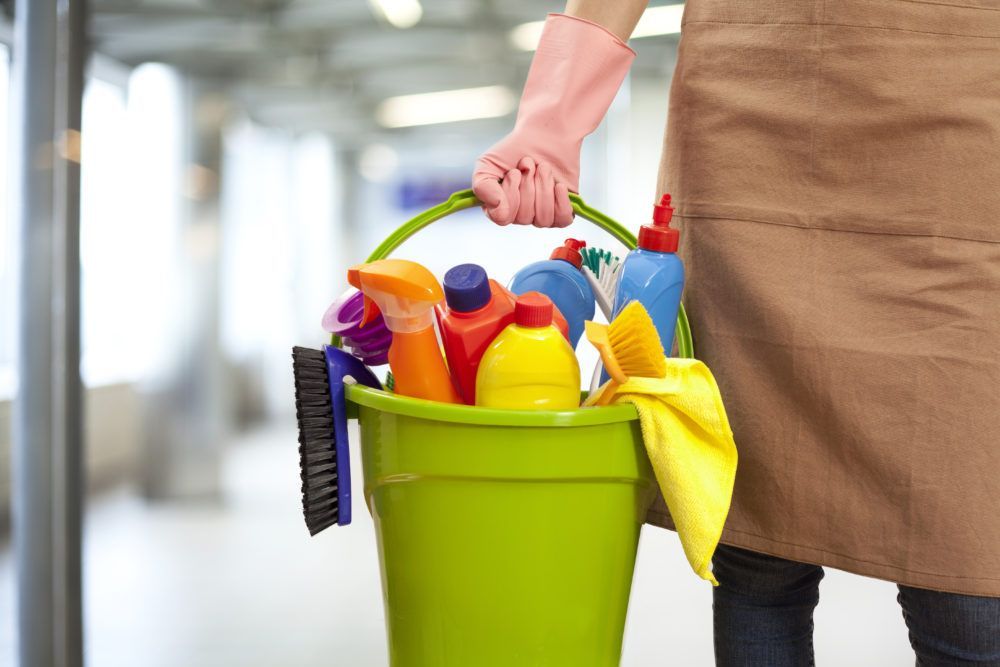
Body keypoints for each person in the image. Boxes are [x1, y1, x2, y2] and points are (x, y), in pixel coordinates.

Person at [472, 0, 1000, 664]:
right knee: (758, 557)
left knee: (969, 584)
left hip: (964, 115)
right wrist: (551, 119)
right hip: (755, 104)